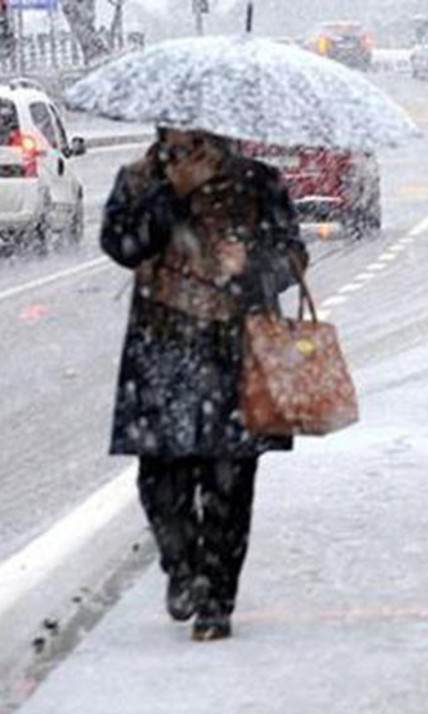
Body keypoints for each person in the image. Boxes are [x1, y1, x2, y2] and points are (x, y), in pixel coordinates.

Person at [101, 128, 308, 640]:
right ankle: (181, 566)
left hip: (235, 354)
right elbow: (123, 245)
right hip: (162, 352)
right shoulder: (139, 180)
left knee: (229, 485)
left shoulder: (257, 182)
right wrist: (172, 195)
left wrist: (250, 265)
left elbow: (292, 257)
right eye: (173, 127)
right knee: (159, 479)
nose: (183, 134)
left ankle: (217, 600)